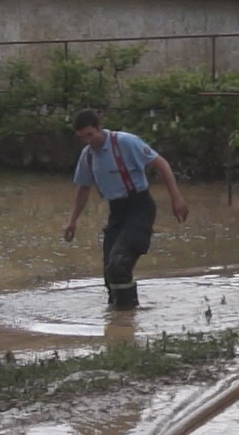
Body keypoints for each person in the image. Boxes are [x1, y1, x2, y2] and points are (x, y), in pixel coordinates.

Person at [63, 109, 189, 311]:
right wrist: (72, 221)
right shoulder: (87, 156)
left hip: (140, 207)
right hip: (117, 212)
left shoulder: (125, 142)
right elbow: (83, 188)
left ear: (99, 127)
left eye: (90, 134)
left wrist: (177, 198)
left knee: (119, 265)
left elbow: (161, 164)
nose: (88, 141)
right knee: (109, 274)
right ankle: (117, 323)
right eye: (82, 138)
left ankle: (127, 317)